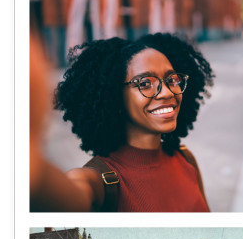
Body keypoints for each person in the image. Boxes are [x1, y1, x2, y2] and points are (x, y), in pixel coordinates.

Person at [31, 32, 214, 212]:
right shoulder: (97, 182)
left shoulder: (186, 159)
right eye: (145, 83)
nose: (167, 92)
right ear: (115, 97)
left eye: (172, 79)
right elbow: (57, 196)